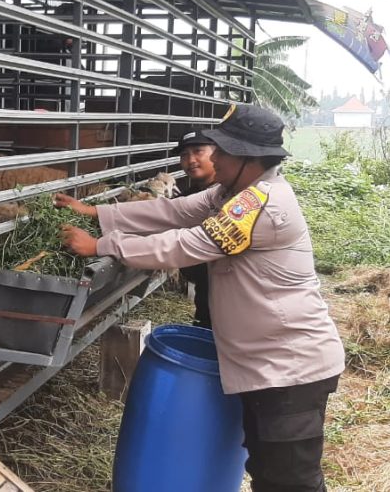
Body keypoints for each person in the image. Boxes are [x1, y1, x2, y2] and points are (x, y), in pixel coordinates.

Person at [54, 104, 345, 492]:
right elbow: (171, 212)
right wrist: (97, 212)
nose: (214, 157)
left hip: (291, 368)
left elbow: (186, 245)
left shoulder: (259, 205)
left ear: (250, 158)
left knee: (292, 481)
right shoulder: (232, 192)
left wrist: (101, 246)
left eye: (223, 151)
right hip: (267, 365)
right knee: (267, 470)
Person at [173, 129, 218, 329]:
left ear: (217, 153)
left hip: (226, 296)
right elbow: (162, 213)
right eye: (184, 155)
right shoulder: (188, 196)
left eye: (198, 151)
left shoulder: (229, 195)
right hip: (205, 291)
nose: (190, 160)